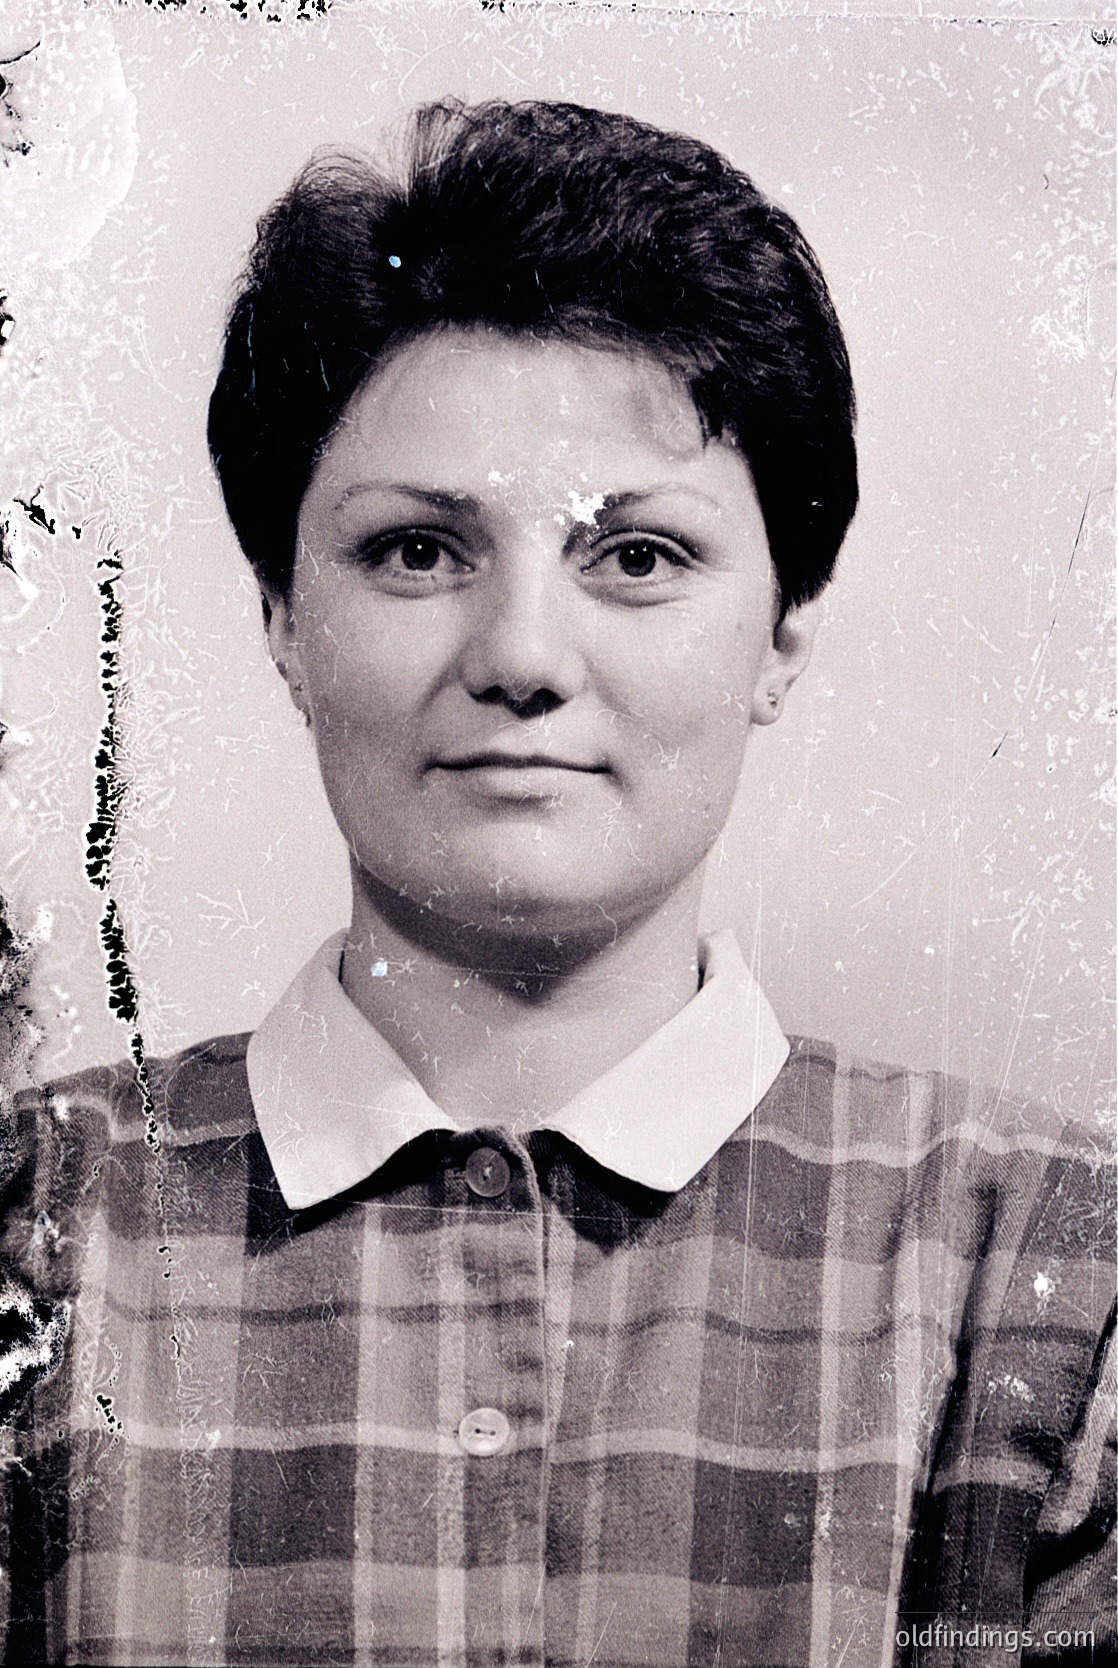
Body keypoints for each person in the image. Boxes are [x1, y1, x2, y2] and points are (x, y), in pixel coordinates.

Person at [0, 98, 1112, 1668]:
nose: (521, 656)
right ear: (281, 621)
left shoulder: (1051, 1270)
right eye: (415, 551)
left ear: (782, 631)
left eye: (637, 557)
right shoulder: (34, 1230)